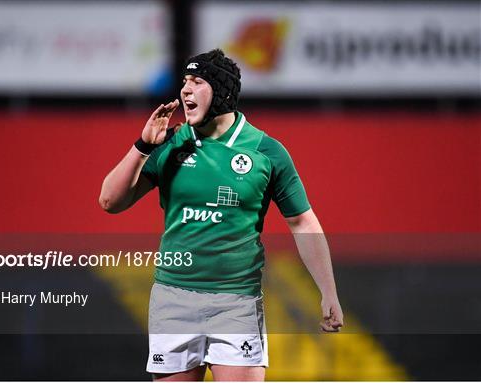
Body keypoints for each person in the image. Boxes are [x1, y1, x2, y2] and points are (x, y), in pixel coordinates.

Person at [99, 49, 343, 381]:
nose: (185, 90)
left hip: (236, 302)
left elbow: (302, 222)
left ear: (222, 92)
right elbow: (110, 201)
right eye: (184, 81)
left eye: (197, 82)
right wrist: (142, 146)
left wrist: (328, 292)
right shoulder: (170, 144)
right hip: (173, 299)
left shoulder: (265, 151)